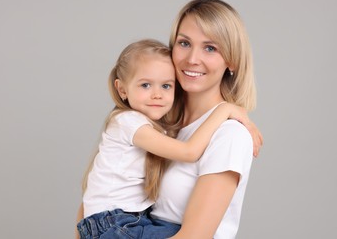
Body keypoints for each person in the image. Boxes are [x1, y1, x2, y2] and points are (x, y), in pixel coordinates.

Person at [76, 39, 258, 239]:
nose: (157, 95)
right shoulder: (129, 123)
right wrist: (225, 109)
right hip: (115, 222)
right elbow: (189, 152)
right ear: (122, 90)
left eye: (166, 86)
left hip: (120, 221)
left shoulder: (222, 134)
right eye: (145, 85)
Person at [143, 0, 261, 239]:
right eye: (184, 43)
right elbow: (98, 198)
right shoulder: (156, 122)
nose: (192, 59)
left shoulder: (230, 135)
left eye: (210, 48)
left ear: (232, 60)